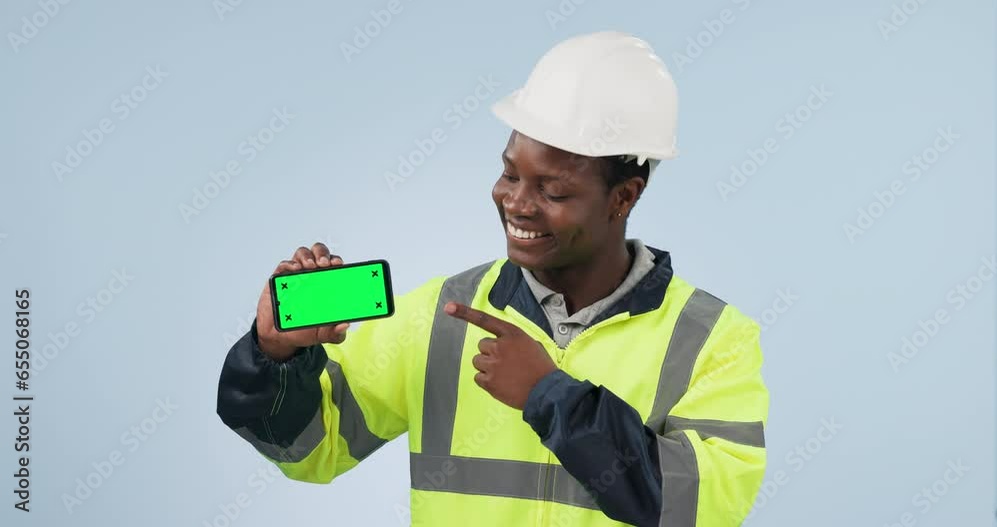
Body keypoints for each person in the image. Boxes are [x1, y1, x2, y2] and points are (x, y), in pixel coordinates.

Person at [216, 30, 768, 527]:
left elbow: (698, 510)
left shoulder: (712, 339)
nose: (516, 204)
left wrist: (550, 396)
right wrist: (276, 356)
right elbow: (310, 452)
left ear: (624, 197)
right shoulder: (440, 314)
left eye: (551, 190)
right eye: (509, 173)